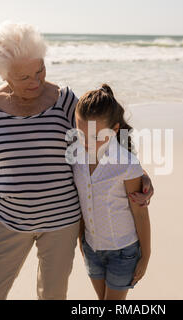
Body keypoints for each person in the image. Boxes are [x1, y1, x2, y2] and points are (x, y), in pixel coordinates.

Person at [0, 21, 154, 300]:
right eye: (24, 77)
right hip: (8, 221)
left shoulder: (66, 100)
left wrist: (142, 176)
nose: (36, 81)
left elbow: (104, 134)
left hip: (62, 223)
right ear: (5, 75)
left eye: (40, 69)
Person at [71, 84, 151, 300]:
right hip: (91, 248)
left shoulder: (125, 164)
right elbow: (81, 202)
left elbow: (140, 213)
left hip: (123, 251)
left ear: (114, 130)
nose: (87, 143)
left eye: (95, 137)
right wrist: (81, 240)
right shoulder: (75, 158)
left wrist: (146, 256)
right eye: (80, 134)